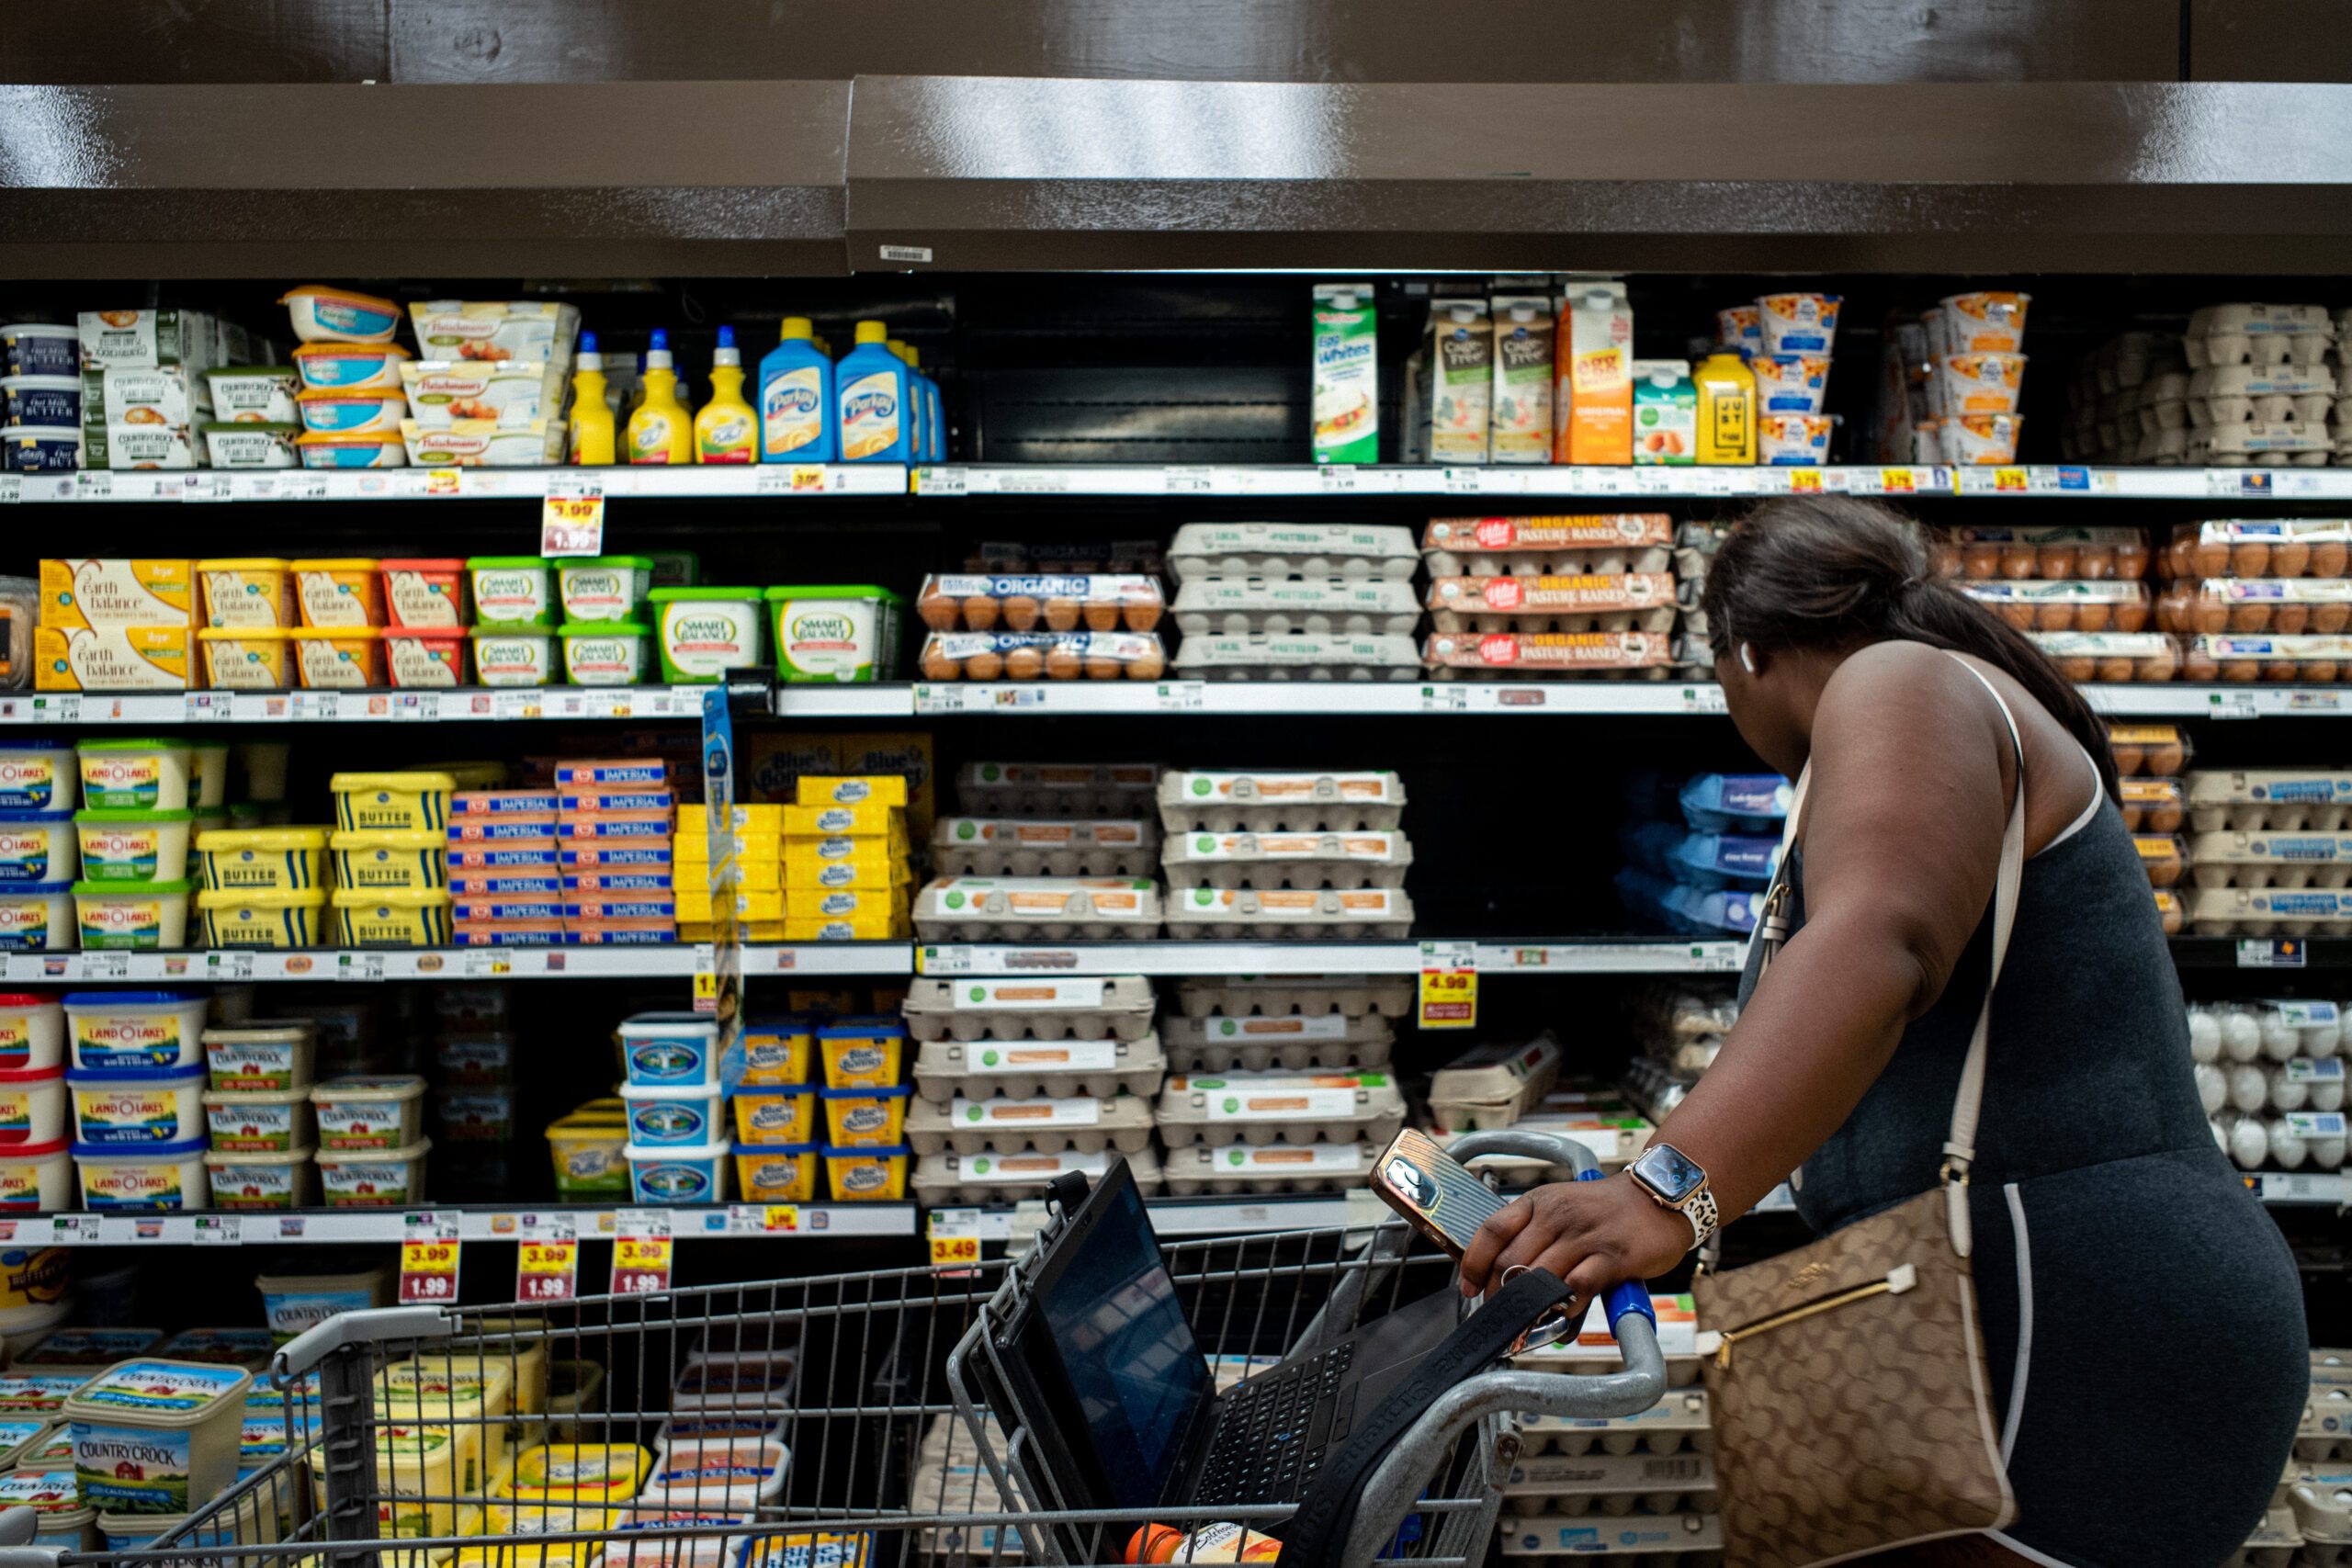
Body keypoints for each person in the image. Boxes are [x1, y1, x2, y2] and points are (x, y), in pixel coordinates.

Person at [1458, 496, 2309, 1567]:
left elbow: (1879, 942)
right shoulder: (1917, 707)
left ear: (1746, 650)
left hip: (2083, 1312)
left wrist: (1660, 1192)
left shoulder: (1897, 680)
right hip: (2045, 1300)